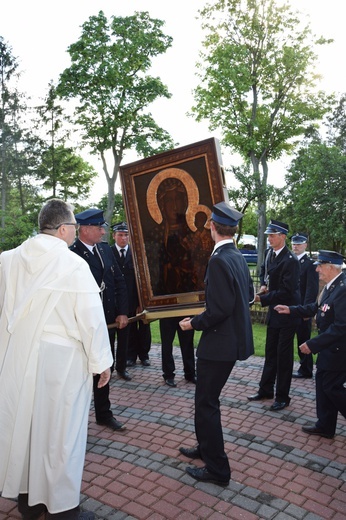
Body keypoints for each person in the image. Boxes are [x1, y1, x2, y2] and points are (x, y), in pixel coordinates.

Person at [0, 199, 113, 520]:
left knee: (28, 427)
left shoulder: (8, 260)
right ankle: (62, 508)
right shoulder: (74, 265)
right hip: (62, 365)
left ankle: (29, 500)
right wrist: (101, 361)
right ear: (64, 229)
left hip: (21, 360)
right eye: (74, 228)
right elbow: (90, 318)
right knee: (62, 436)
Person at [179, 201, 254, 486]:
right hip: (231, 342)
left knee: (206, 404)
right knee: (205, 401)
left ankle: (218, 470)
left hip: (219, 346)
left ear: (212, 227)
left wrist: (193, 322)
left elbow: (220, 308)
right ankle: (206, 448)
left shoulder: (220, 259)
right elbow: (246, 297)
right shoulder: (236, 255)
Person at [275, 250, 346, 439]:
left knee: (332, 388)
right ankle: (325, 425)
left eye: (320, 266)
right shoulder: (332, 287)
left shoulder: (343, 289)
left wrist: (313, 344)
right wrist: (290, 310)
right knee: (323, 385)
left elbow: (341, 327)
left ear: (331, 267)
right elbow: (315, 308)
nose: (317, 270)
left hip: (338, 351)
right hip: (329, 349)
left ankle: (325, 424)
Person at [70, 208, 129, 432]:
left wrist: (122, 311)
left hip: (107, 322)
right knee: (83, 371)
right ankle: (77, 420)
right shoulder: (72, 253)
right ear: (84, 230)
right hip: (84, 325)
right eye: (99, 227)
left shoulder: (105, 251)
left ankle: (104, 414)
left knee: (105, 366)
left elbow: (119, 282)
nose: (103, 232)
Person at [248, 219, 300, 411]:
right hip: (274, 313)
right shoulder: (271, 253)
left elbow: (288, 291)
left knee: (283, 357)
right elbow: (264, 271)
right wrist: (263, 283)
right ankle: (266, 389)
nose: (269, 238)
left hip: (287, 314)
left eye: (272, 235)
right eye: (268, 235)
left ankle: (282, 397)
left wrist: (264, 298)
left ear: (282, 237)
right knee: (270, 353)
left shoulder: (291, 261)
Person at [111, 221, 151, 367]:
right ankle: (130, 356)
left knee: (144, 327)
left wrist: (142, 302)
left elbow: (144, 280)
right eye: (120, 235)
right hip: (119, 301)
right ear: (114, 236)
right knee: (128, 329)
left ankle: (144, 355)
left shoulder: (138, 254)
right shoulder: (109, 253)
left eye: (126, 235)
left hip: (137, 299)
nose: (123, 238)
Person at [290, 232, 319, 379]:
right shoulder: (290, 261)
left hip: (302, 309)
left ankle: (306, 369)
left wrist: (307, 311)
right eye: (294, 243)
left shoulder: (309, 265)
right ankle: (300, 366)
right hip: (290, 308)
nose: (296, 246)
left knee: (303, 339)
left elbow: (311, 289)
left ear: (305, 245)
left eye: (299, 244)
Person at [160, 316, 196, 387]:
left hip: (185, 311)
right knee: (167, 344)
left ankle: (190, 373)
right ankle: (168, 374)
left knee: (188, 344)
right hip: (167, 313)